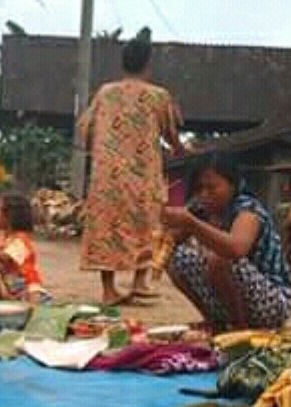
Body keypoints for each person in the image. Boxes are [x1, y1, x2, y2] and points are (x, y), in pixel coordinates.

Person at [78, 28, 183, 306]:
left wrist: (98, 153)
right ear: (148, 63)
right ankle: (139, 281)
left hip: (107, 173)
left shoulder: (105, 93)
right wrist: (181, 150)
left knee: (107, 226)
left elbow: (86, 129)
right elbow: (171, 134)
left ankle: (109, 289)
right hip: (142, 172)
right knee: (146, 223)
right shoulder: (158, 95)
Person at [161, 153, 291, 331]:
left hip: (273, 302)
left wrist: (192, 223)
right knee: (176, 258)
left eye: (212, 187)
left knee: (219, 259)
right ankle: (215, 322)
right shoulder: (201, 208)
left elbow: (235, 249)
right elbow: (172, 241)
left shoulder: (248, 209)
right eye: (199, 188)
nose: (204, 194)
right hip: (242, 300)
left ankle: (240, 328)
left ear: (232, 184)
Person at [0, 191, 50, 304]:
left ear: (9, 217)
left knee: (32, 305)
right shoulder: (1, 240)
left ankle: (23, 305)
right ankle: (12, 302)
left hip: (30, 289)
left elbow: (5, 258)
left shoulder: (21, 240)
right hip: (12, 289)